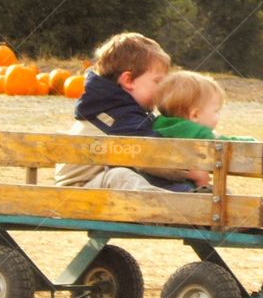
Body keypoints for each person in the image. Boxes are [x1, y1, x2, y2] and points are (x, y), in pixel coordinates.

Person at [53, 32, 198, 193]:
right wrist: (190, 169)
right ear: (128, 81)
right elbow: (156, 156)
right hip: (77, 195)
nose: (163, 89)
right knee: (120, 177)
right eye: (158, 81)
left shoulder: (121, 109)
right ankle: (182, 203)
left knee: (130, 175)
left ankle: (183, 199)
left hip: (97, 192)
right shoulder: (117, 117)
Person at [152, 71, 256, 189]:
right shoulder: (197, 132)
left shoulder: (155, 125)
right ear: (195, 115)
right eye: (216, 111)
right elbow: (227, 145)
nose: (218, 116)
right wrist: (250, 141)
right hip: (182, 192)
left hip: (151, 188)